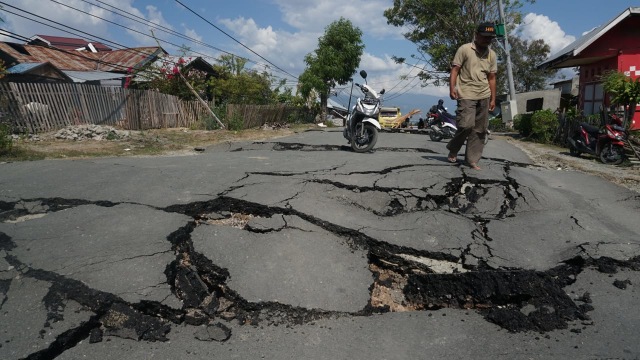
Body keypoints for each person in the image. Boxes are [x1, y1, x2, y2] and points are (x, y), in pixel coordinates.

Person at [446, 22, 497, 170]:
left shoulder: (492, 55)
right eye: (484, 37)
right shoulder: (465, 49)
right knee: (466, 125)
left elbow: (492, 78)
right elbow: (455, 70)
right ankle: (454, 148)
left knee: (480, 129)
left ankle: (472, 159)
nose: (487, 40)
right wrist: (452, 88)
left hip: (484, 94)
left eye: (490, 38)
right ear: (476, 35)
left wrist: (493, 98)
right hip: (466, 93)